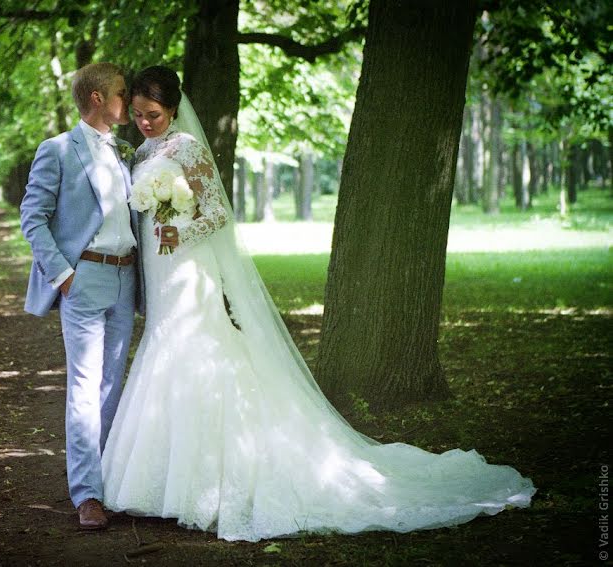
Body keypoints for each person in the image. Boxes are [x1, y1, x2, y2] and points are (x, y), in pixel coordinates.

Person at [100, 66, 535, 542]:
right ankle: (161, 480)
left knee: (195, 349)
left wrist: (179, 231)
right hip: (160, 271)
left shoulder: (188, 147)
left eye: (154, 114)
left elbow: (219, 213)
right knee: (164, 347)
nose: (144, 122)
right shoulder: (143, 151)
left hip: (188, 267)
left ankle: (206, 481)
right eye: (139, 114)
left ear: (175, 110)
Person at [20, 62, 142, 530]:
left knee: (113, 385)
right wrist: (64, 277)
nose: (126, 101)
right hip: (84, 277)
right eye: (120, 92)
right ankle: (87, 495)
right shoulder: (57, 150)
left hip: (125, 278)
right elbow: (33, 217)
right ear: (96, 98)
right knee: (85, 388)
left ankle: (108, 481)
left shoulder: (126, 151)